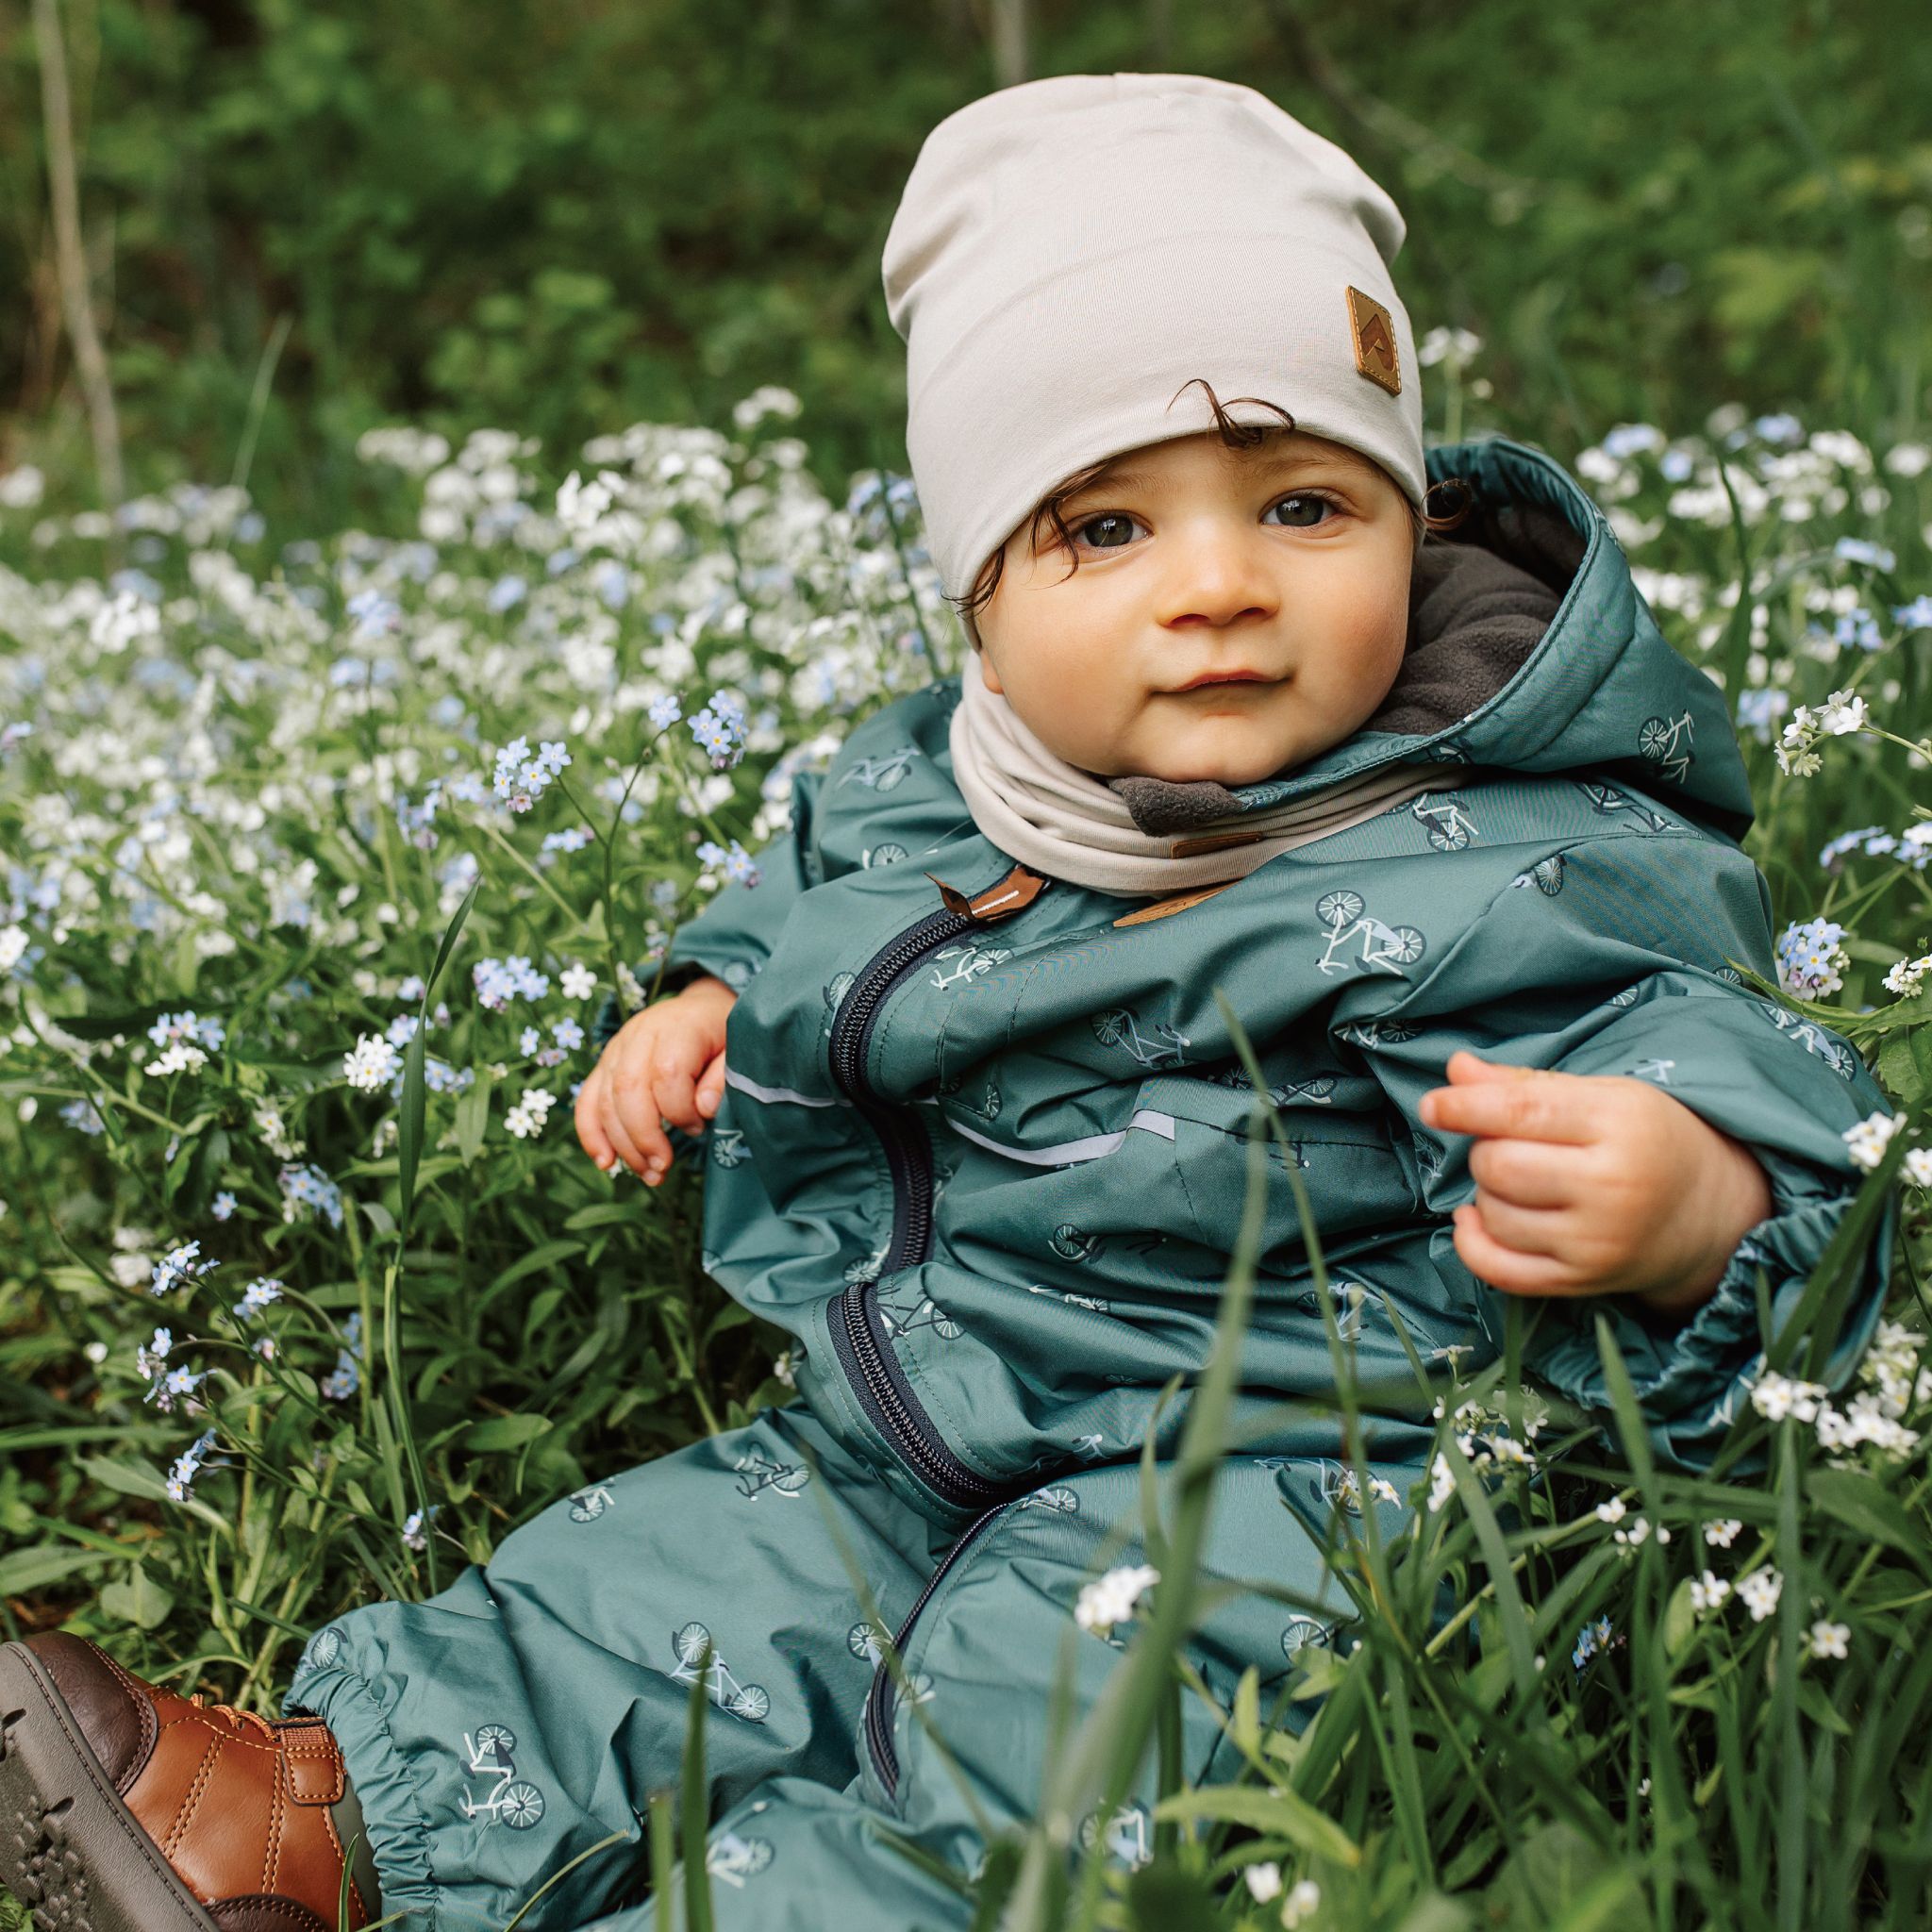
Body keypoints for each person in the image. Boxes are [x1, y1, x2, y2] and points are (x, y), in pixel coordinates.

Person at [0, 71, 1897, 1932]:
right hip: (926, 1412)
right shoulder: (955, 769)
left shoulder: (1515, 847)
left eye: (1307, 502)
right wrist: (712, 994)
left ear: (1410, 520)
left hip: (1285, 1491)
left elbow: (1754, 1101)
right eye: (1105, 528)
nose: (1219, 586)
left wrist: (1692, 1207)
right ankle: (311, 1824)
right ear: (979, 595)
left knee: (1035, 1768)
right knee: (667, 1581)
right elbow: (830, 878)